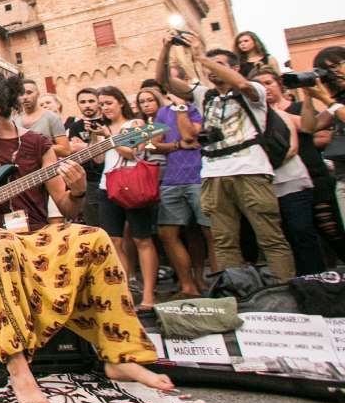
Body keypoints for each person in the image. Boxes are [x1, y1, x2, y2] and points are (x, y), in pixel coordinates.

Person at [0, 70, 172, 403]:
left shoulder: (37, 145)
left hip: (35, 232)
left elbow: (68, 207)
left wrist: (79, 188)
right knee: (2, 246)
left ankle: (119, 354)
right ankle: (17, 366)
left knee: (95, 238)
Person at [158, 34, 296, 281]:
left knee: (270, 237)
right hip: (213, 173)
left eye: (220, 65)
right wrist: (166, 48)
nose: (212, 70)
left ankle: (286, 291)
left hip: (250, 171)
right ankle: (237, 292)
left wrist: (200, 56)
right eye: (211, 66)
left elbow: (242, 85)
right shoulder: (204, 95)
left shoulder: (255, 91)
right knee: (223, 241)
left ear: (235, 68)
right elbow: (164, 81)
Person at [89, 86, 158, 309]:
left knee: (142, 239)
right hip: (107, 186)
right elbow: (98, 160)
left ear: (120, 102)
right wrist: (95, 136)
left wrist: (110, 137)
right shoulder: (104, 129)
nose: (104, 108)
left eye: (108, 103)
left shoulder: (135, 124)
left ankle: (148, 296)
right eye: (101, 105)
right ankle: (126, 290)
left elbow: (133, 152)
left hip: (132, 184)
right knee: (114, 241)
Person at [253, 68, 322, 275]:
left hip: (291, 181)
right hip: (264, 187)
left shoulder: (281, 114)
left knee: (302, 232)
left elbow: (309, 129)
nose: (265, 88)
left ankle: (315, 280)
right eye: (260, 84)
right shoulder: (248, 118)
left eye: (268, 82)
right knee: (280, 239)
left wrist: (310, 97)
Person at [152, 91, 214, 298]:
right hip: (172, 179)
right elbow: (155, 144)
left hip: (199, 175)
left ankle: (209, 281)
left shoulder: (196, 109)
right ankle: (187, 285)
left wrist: (180, 110)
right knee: (167, 233)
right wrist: (178, 145)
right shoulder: (162, 113)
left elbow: (190, 135)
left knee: (206, 231)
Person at [294, 47, 345, 260]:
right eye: (326, 70)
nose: (333, 74)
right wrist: (307, 96)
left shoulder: (335, 104)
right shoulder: (337, 101)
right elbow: (309, 126)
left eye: (336, 66)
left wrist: (328, 101)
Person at [64, 88, 105, 227]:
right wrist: (95, 147)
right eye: (83, 102)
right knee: (94, 226)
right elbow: (73, 150)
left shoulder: (106, 123)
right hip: (88, 181)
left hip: (109, 178)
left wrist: (83, 146)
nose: (87, 105)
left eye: (91, 101)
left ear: (98, 103)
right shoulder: (76, 126)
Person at [16, 79, 71, 159]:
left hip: (48, 168)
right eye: (21, 93)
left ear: (38, 94)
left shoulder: (51, 117)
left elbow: (65, 150)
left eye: (29, 93)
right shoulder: (15, 120)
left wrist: (36, 148)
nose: (25, 97)